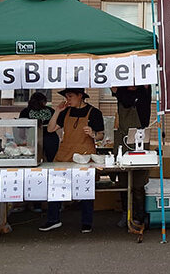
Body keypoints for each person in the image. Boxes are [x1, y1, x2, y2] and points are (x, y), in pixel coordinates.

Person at [39, 88, 104, 233]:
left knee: (86, 188)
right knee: (55, 185)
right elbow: (50, 129)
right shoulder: (65, 112)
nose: (68, 99)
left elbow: (101, 135)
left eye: (70, 96)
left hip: (85, 156)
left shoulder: (94, 113)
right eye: (66, 97)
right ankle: (53, 219)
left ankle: (87, 222)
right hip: (64, 154)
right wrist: (56, 111)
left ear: (80, 96)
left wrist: (93, 134)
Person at [111, 85, 152, 227]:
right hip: (122, 138)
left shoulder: (144, 91)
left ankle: (140, 216)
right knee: (123, 181)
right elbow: (113, 85)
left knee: (139, 182)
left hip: (140, 138)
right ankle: (125, 214)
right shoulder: (119, 91)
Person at [19, 91, 59, 162]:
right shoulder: (51, 110)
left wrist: (23, 141)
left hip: (32, 140)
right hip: (51, 139)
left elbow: (21, 132)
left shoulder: (25, 111)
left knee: (32, 160)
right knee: (51, 162)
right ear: (43, 102)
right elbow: (58, 126)